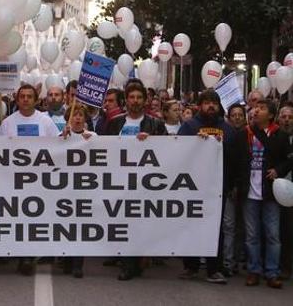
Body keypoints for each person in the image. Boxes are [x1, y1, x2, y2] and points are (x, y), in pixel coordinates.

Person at [105, 80, 166, 281]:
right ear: (126, 100)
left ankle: (138, 259)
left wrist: (152, 141)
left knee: (141, 224)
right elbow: (103, 148)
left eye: (139, 97)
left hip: (146, 184)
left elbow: (171, 150)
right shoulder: (115, 123)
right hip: (121, 183)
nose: (135, 101)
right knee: (125, 222)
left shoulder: (155, 124)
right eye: (132, 97)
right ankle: (128, 264)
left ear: (145, 100)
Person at [0, 83, 59, 276]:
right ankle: (21, 254)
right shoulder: (7, 122)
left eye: (29, 96)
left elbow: (59, 147)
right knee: (18, 219)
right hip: (14, 181)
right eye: (22, 96)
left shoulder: (46, 121)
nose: (25, 99)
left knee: (35, 219)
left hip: (40, 181)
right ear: (17, 99)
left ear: (36, 99)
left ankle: (29, 256)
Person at [177, 90, 236, 284]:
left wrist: (219, 145)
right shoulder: (189, 126)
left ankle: (214, 269)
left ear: (219, 106)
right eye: (207, 102)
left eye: (214, 103)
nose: (211, 106)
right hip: (192, 187)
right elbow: (176, 151)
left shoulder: (227, 129)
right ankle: (191, 266)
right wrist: (196, 143)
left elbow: (236, 158)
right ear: (199, 106)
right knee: (190, 225)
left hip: (217, 189)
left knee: (215, 229)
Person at [236, 99, 292, 288]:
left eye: (262, 108)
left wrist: (278, 170)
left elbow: (288, 160)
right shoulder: (245, 133)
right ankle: (254, 270)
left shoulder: (280, 135)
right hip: (250, 191)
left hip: (270, 193)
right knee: (252, 234)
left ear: (270, 115)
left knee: (272, 234)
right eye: (255, 108)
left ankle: (272, 272)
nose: (256, 111)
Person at [60, 103, 96, 278]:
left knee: (79, 228)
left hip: (84, 190)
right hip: (64, 190)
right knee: (65, 227)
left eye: (81, 115)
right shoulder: (61, 136)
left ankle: (77, 264)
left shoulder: (93, 137)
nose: (78, 118)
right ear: (69, 118)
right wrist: (61, 138)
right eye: (75, 115)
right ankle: (66, 261)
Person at [278, 104, 293, 280]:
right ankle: (283, 265)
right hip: (279, 190)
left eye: (290, 117)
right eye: (284, 117)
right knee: (282, 230)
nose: (287, 120)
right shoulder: (274, 137)